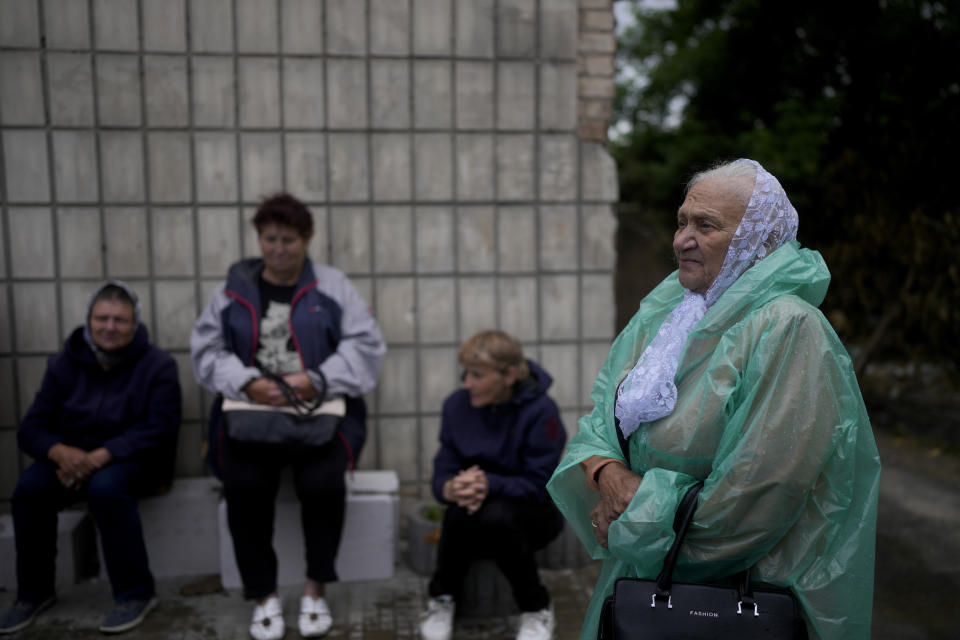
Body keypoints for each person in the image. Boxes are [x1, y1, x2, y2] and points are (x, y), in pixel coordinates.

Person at [546, 159, 882, 640]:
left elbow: (753, 502)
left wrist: (631, 511)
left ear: (760, 240)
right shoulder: (669, 310)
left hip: (736, 597)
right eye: (682, 221)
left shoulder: (787, 328)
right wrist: (605, 471)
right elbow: (602, 410)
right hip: (647, 580)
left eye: (706, 225)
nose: (682, 238)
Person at [190, 193, 386, 640]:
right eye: (269, 239)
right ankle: (264, 597)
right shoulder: (234, 288)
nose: (278, 250)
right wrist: (246, 381)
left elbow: (366, 344)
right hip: (248, 414)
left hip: (320, 411)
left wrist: (316, 378)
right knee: (244, 487)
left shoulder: (332, 286)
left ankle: (315, 590)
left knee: (322, 484)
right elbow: (207, 348)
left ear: (307, 238)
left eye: (289, 240)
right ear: (259, 239)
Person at [0, 282, 182, 635]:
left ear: (135, 323)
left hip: (134, 460)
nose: (110, 327)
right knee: (29, 489)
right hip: (70, 460)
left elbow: (160, 428)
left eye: (120, 320)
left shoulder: (157, 365)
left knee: (106, 488)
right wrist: (60, 452)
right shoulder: (63, 364)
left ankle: (135, 593)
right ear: (88, 321)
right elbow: (31, 428)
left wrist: (101, 456)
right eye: (102, 319)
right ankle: (33, 594)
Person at [419, 330, 567, 640]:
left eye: (477, 375)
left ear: (508, 374)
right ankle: (442, 598)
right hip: (474, 511)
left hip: (532, 514)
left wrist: (489, 484)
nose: (466, 383)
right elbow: (445, 460)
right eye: (465, 374)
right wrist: (448, 487)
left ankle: (536, 608)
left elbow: (541, 484)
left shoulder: (540, 412)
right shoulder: (456, 406)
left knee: (496, 516)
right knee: (458, 514)